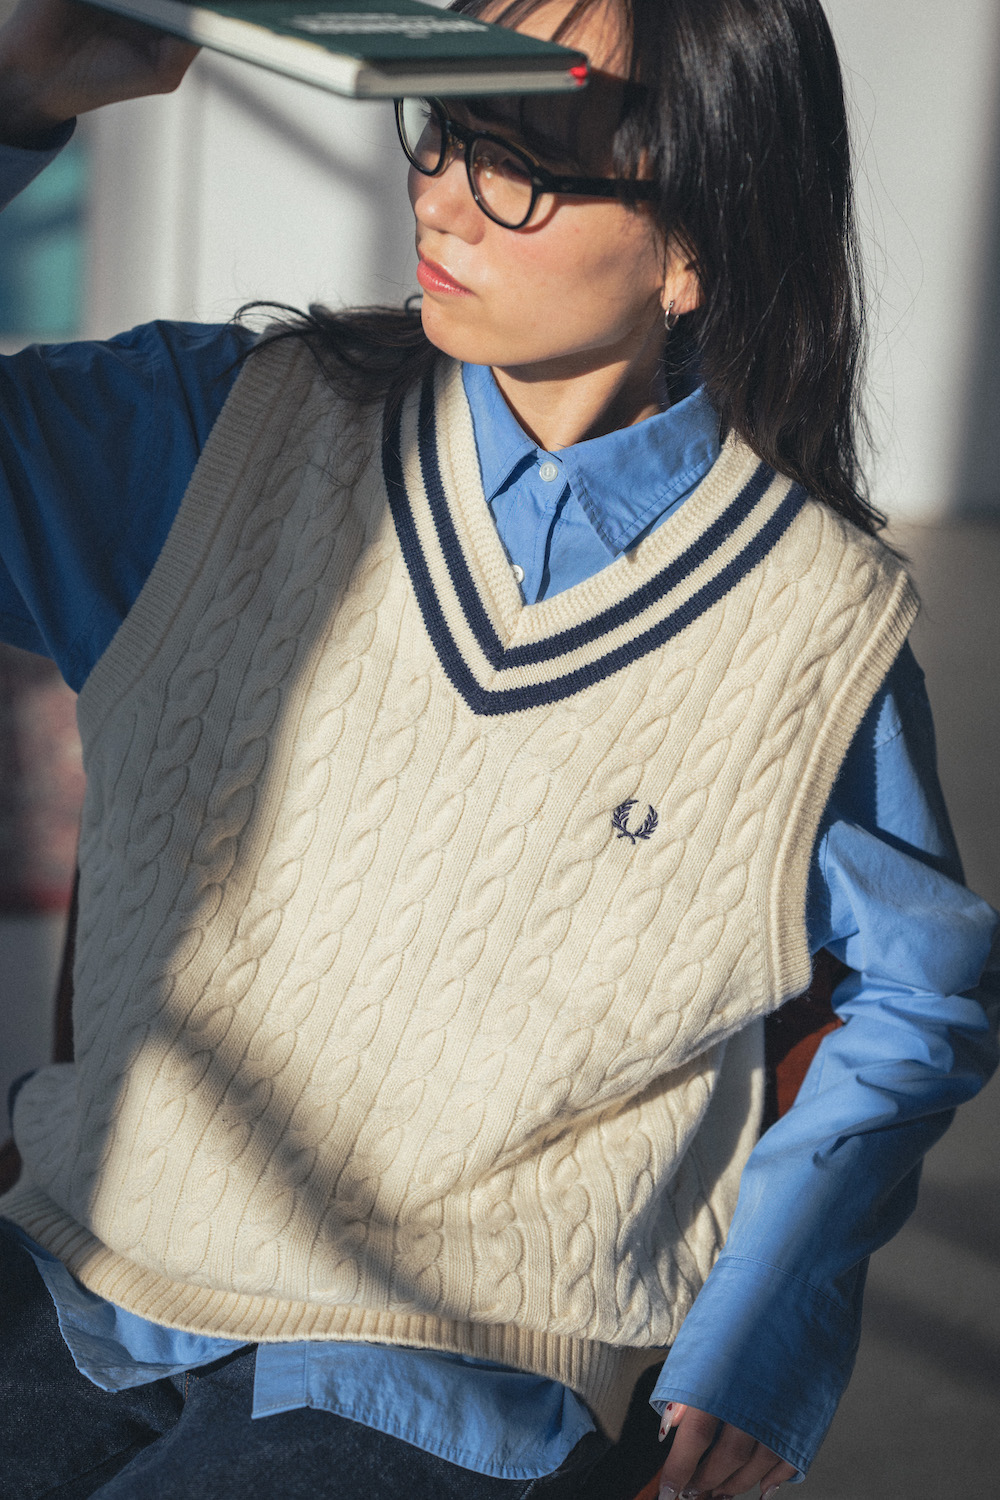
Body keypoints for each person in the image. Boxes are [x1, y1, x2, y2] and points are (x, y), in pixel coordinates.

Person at [0, 0, 996, 1497]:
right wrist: (13, 100)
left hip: (453, 1375)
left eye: (520, 162)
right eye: (445, 126)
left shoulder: (814, 629)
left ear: (693, 246)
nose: (446, 197)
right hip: (82, 1272)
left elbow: (917, 995)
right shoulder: (213, 435)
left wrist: (765, 1325)